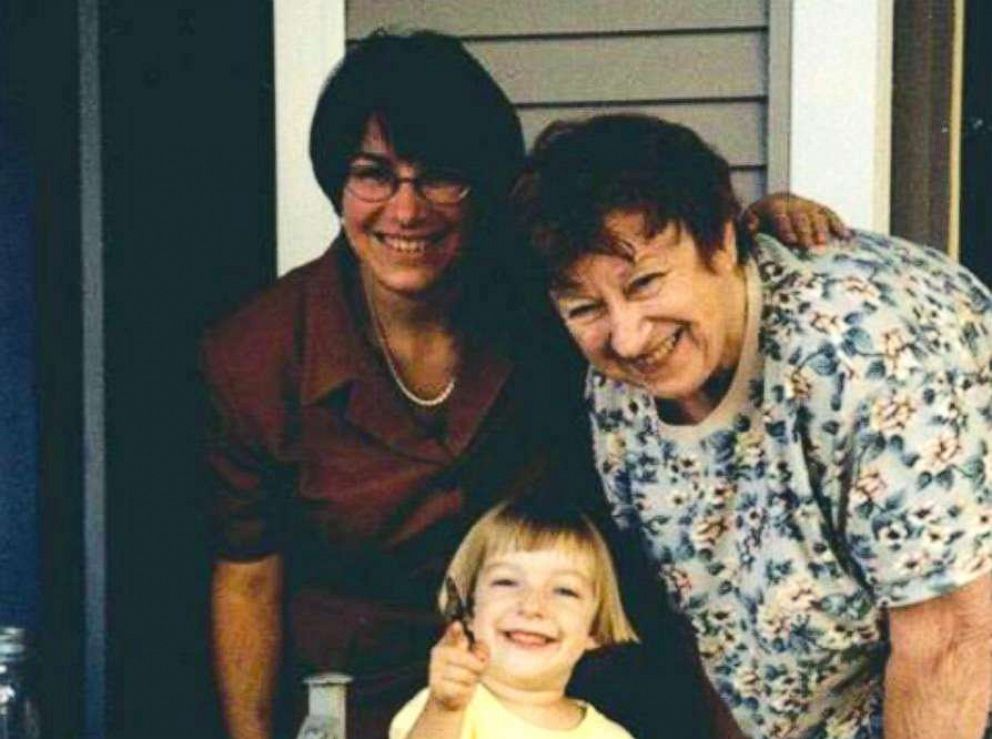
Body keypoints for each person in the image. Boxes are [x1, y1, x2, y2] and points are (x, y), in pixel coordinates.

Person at [202, 30, 849, 739]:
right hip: (375, 702)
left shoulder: (551, 294)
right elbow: (248, 575)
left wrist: (759, 223)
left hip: (575, 692)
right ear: (336, 180)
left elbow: (669, 248)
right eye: (373, 173)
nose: (406, 210)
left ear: (484, 181)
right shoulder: (257, 353)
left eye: (440, 175)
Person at [512, 112, 992, 738]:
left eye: (648, 282)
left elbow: (951, 637)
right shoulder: (617, 391)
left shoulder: (858, 353)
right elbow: (708, 624)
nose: (627, 337)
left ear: (722, 240)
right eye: (585, 307)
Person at [390, 496, 639, 738]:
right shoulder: (443, 709)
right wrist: (444, 710)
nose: (531, 606)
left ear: (595, 627)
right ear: (467, 609)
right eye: (507, 582)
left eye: (565, 590)